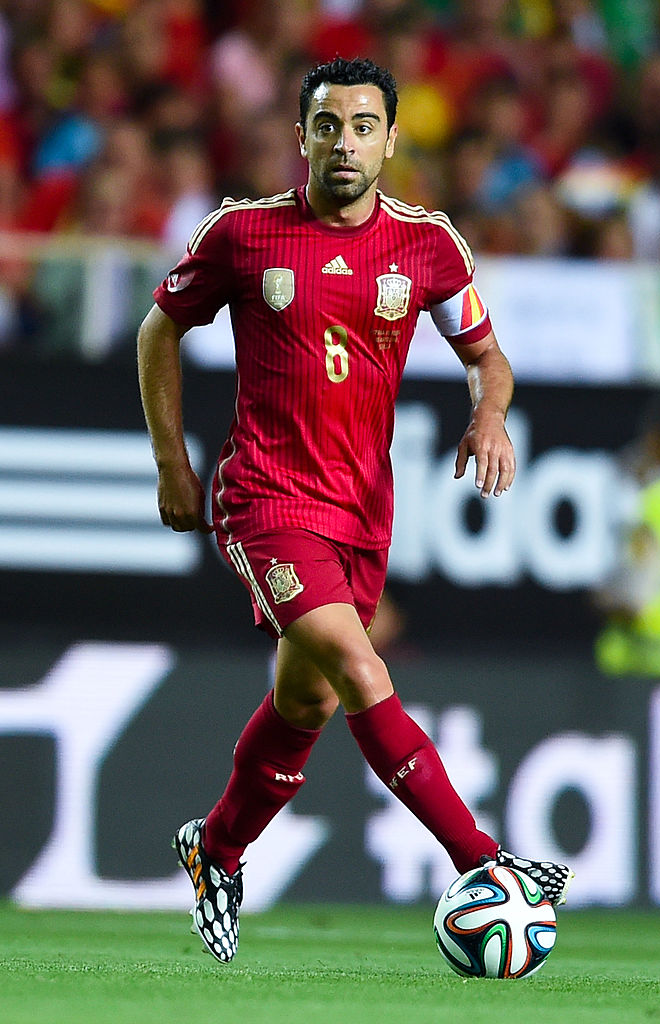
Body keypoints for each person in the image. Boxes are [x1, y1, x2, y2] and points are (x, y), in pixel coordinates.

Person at [137, 56, 573, 965]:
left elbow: (487, 358)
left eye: (363, 126)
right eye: (328, 125)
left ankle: (216, 848)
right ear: (301, 136)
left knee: (307, 697)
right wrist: (173, 463)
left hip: (361, 513)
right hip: (264, 499)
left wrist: (489, 415)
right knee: (360, 665)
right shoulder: (243, 233)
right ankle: (486, 862)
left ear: (391, 140)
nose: (345, 142)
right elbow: (159, 329)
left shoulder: (428, 244)